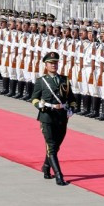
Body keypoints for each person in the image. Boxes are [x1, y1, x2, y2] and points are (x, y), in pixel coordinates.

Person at [31, 52, 78, 186]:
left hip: (62, 117)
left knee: (56, 146)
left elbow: (72, 99)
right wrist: (38, 105)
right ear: (46, 65)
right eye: (51, 63)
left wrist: (72, 108)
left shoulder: (64, 79)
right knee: (51, 146)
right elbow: (34, 98)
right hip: (47, 116)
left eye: (55, 63)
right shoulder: (41, 81)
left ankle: (46, 167)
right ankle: (59, 175)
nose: (54, 65)